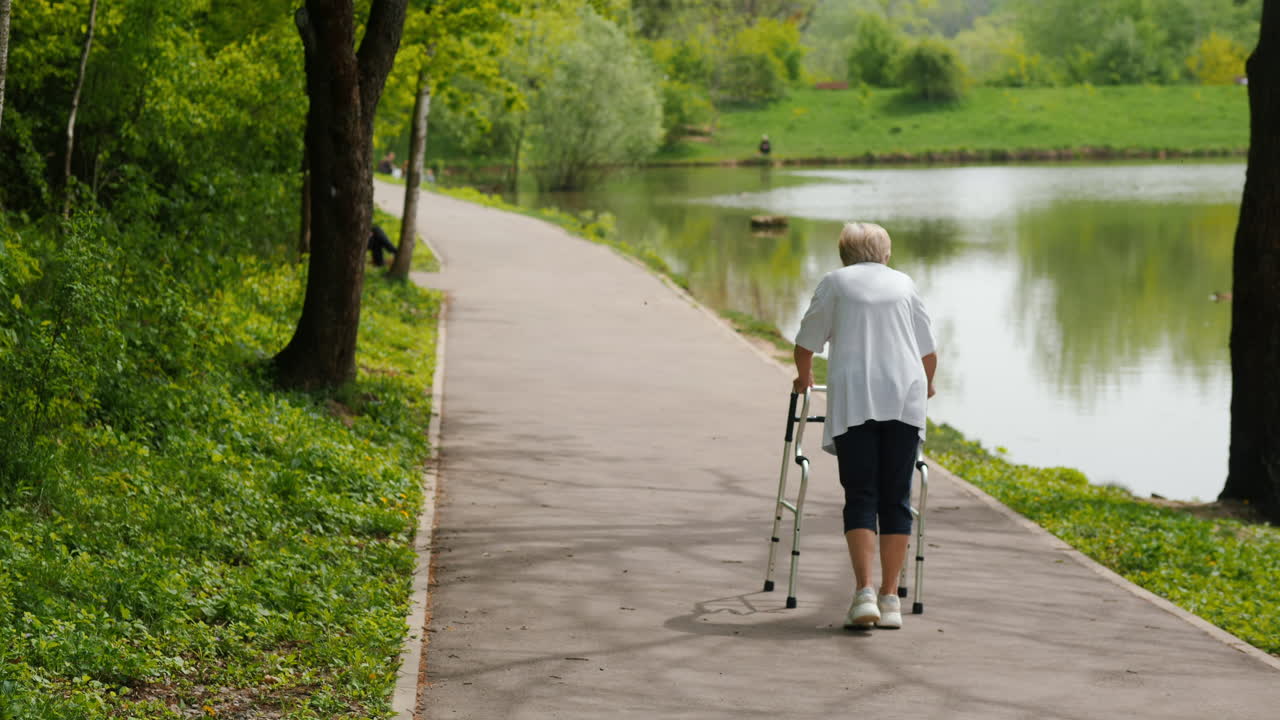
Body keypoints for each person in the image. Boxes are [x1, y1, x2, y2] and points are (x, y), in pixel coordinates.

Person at [792, 221, 937, 631]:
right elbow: (928, 352)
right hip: (904, 399)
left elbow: (806, 342)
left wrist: (803, 378)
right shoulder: (905, 284)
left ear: (843, 254)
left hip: (855, 400)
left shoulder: (834, 283)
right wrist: (928, 386)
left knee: (861, 495)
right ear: (886, 254)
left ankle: (864, 594)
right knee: (896, 497)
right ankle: (891, 599)